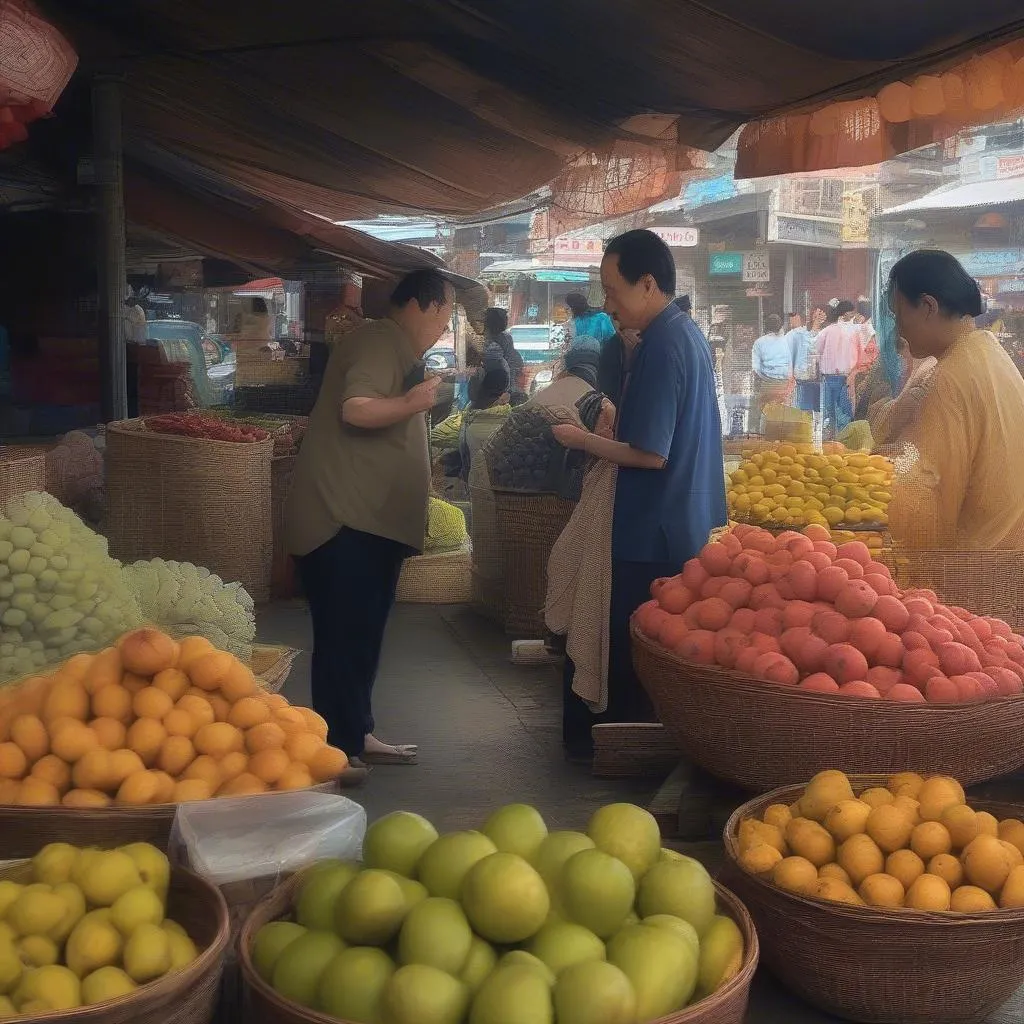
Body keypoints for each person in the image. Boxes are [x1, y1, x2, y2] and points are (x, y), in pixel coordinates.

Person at [553, 229, 726, 760]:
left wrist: (582, 440)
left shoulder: (663, 343)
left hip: (651, 526)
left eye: (612, 291)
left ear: (648, 284)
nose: (606, 305)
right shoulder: (682, 335)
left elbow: (651, 453)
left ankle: (618, 750)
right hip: (679, 521)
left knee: (631, 651)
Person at [284, 268, 453, 767]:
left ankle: (356, 734)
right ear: (426, 304)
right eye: (446, 314)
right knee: (344, 635)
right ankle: (336, 749)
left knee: (363, 634)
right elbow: (355, 408)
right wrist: (413, 401)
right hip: (344, 521)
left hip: (368, 524)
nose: (444, 326)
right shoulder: (380, 339)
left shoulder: (395, 348)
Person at [886, 249, 1024, 550]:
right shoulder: (987, 351)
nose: (899, 330)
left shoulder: (950, 377)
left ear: (927, 306)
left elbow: (930, 494)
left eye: (899, 316)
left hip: (978, 564)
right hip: (1011, 555)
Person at [815, 300, 860, 438]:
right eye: (852, 313)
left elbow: (816, 350)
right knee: (844, 413)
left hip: (828, 377)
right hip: (845, 377)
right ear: (845, 314)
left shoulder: (826, 331)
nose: (853, 316)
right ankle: (843, 442)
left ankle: (828, 442)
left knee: (828, 413)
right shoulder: (854, 330)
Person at [750, 314, 793, 426]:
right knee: (785, 413)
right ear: (780, 327)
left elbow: (756, 369)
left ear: (765, 326)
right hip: (785, 385)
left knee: (762, 412)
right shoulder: (787, 341)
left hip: (767, 384)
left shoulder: (759, 342)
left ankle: (761, 435)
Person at [482, 307, 526, 402]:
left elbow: (513, 362)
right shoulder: (505, 338)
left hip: (501, 384)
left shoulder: (503, 338)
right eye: (505, 319)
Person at [787, 311, 821, 413]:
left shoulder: (790, 336)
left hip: (802, 378)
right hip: (810, 377)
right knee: (814, 410)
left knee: (803, 410)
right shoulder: (807, 334)